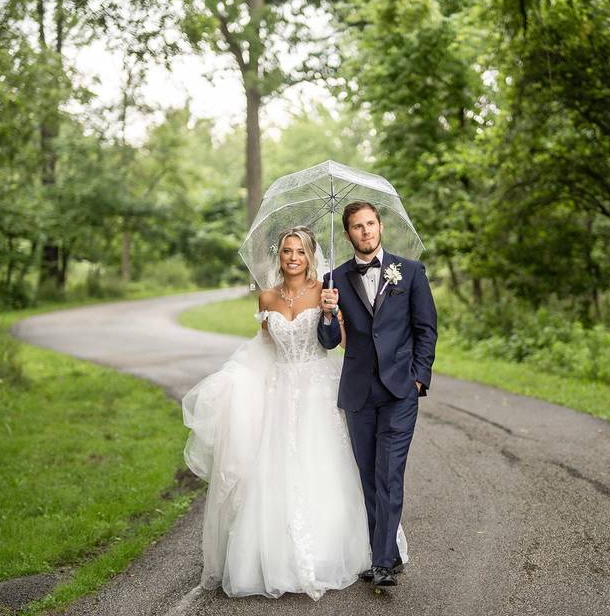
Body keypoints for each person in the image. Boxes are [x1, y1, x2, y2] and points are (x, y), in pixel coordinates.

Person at [181, 226, 405, 600]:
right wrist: (238, 381)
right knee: (276, 469)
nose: (293, 257)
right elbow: (266, 348)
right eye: (287, 251)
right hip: (280, 390)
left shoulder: (327, 290)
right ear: (279, 256)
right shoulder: (266, 297)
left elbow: (342, 342)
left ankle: (341, 550)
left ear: (311, 256)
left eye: (300, 251)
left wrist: (332, 314)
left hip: (319, 387)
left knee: (325, 466)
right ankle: (273, 556)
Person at [317, 201, 437, 587]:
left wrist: (419, 377)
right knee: (368, 477)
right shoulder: (333, 279)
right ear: (348, 233)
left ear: (380, 226)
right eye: (357, 226)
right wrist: (327, 313)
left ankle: (382, 561)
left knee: (388, 473)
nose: (366, 232)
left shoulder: (411, 272)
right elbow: (329, 341)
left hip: (401, 389)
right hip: (358, 391)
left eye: (371, 224)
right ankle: (389, 553)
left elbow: (426, 329)